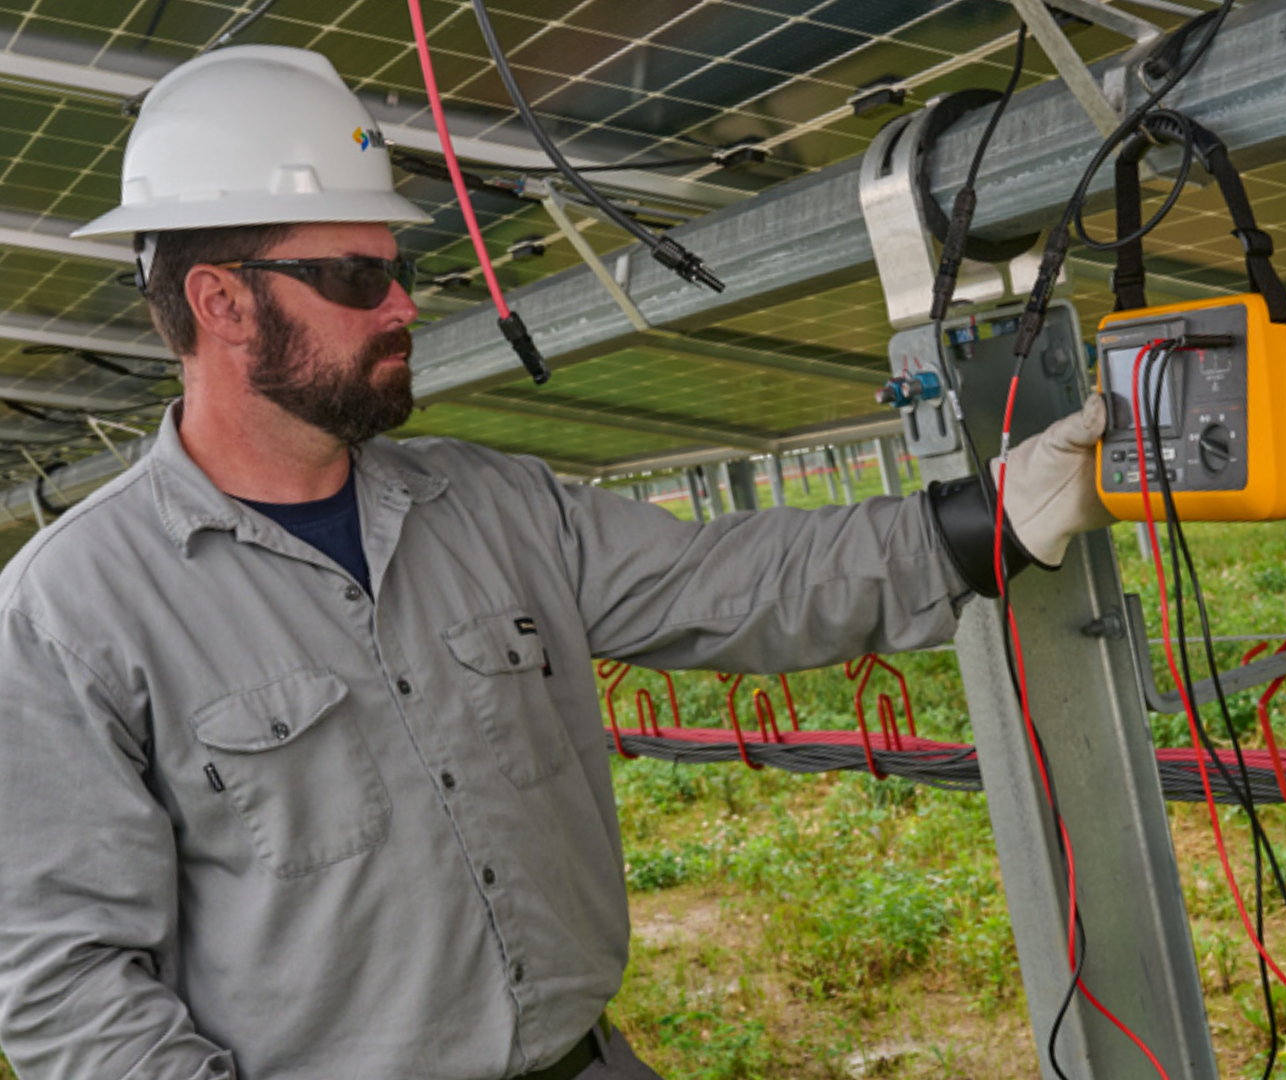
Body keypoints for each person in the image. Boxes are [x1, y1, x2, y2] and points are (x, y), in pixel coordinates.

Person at [0, 46, 1113, 1080]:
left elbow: (735, 582)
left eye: (400, 267)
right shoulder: (71, 612)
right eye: (353, 276)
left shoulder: (491, 506)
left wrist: (990, 520)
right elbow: (68, 983)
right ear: (221, 302)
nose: (402, 303)